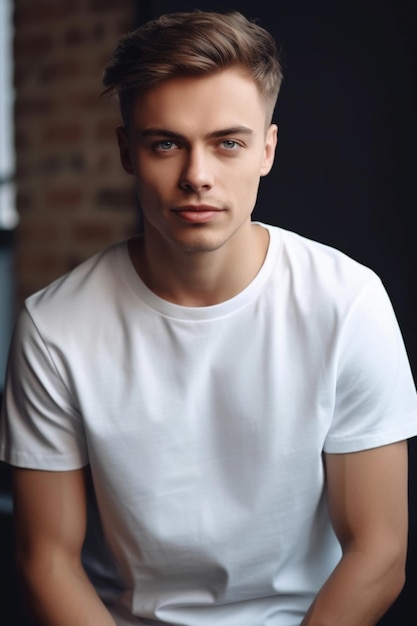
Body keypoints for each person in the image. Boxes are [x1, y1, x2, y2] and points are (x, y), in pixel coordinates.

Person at [1, 9, 417, 626]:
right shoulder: (55, 327)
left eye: (228, 143)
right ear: (126, 152)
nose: (197, 177)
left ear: (267, 150)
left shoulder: (348, 302)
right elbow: (46, 560)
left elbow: (379, 552)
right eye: (166, 143)